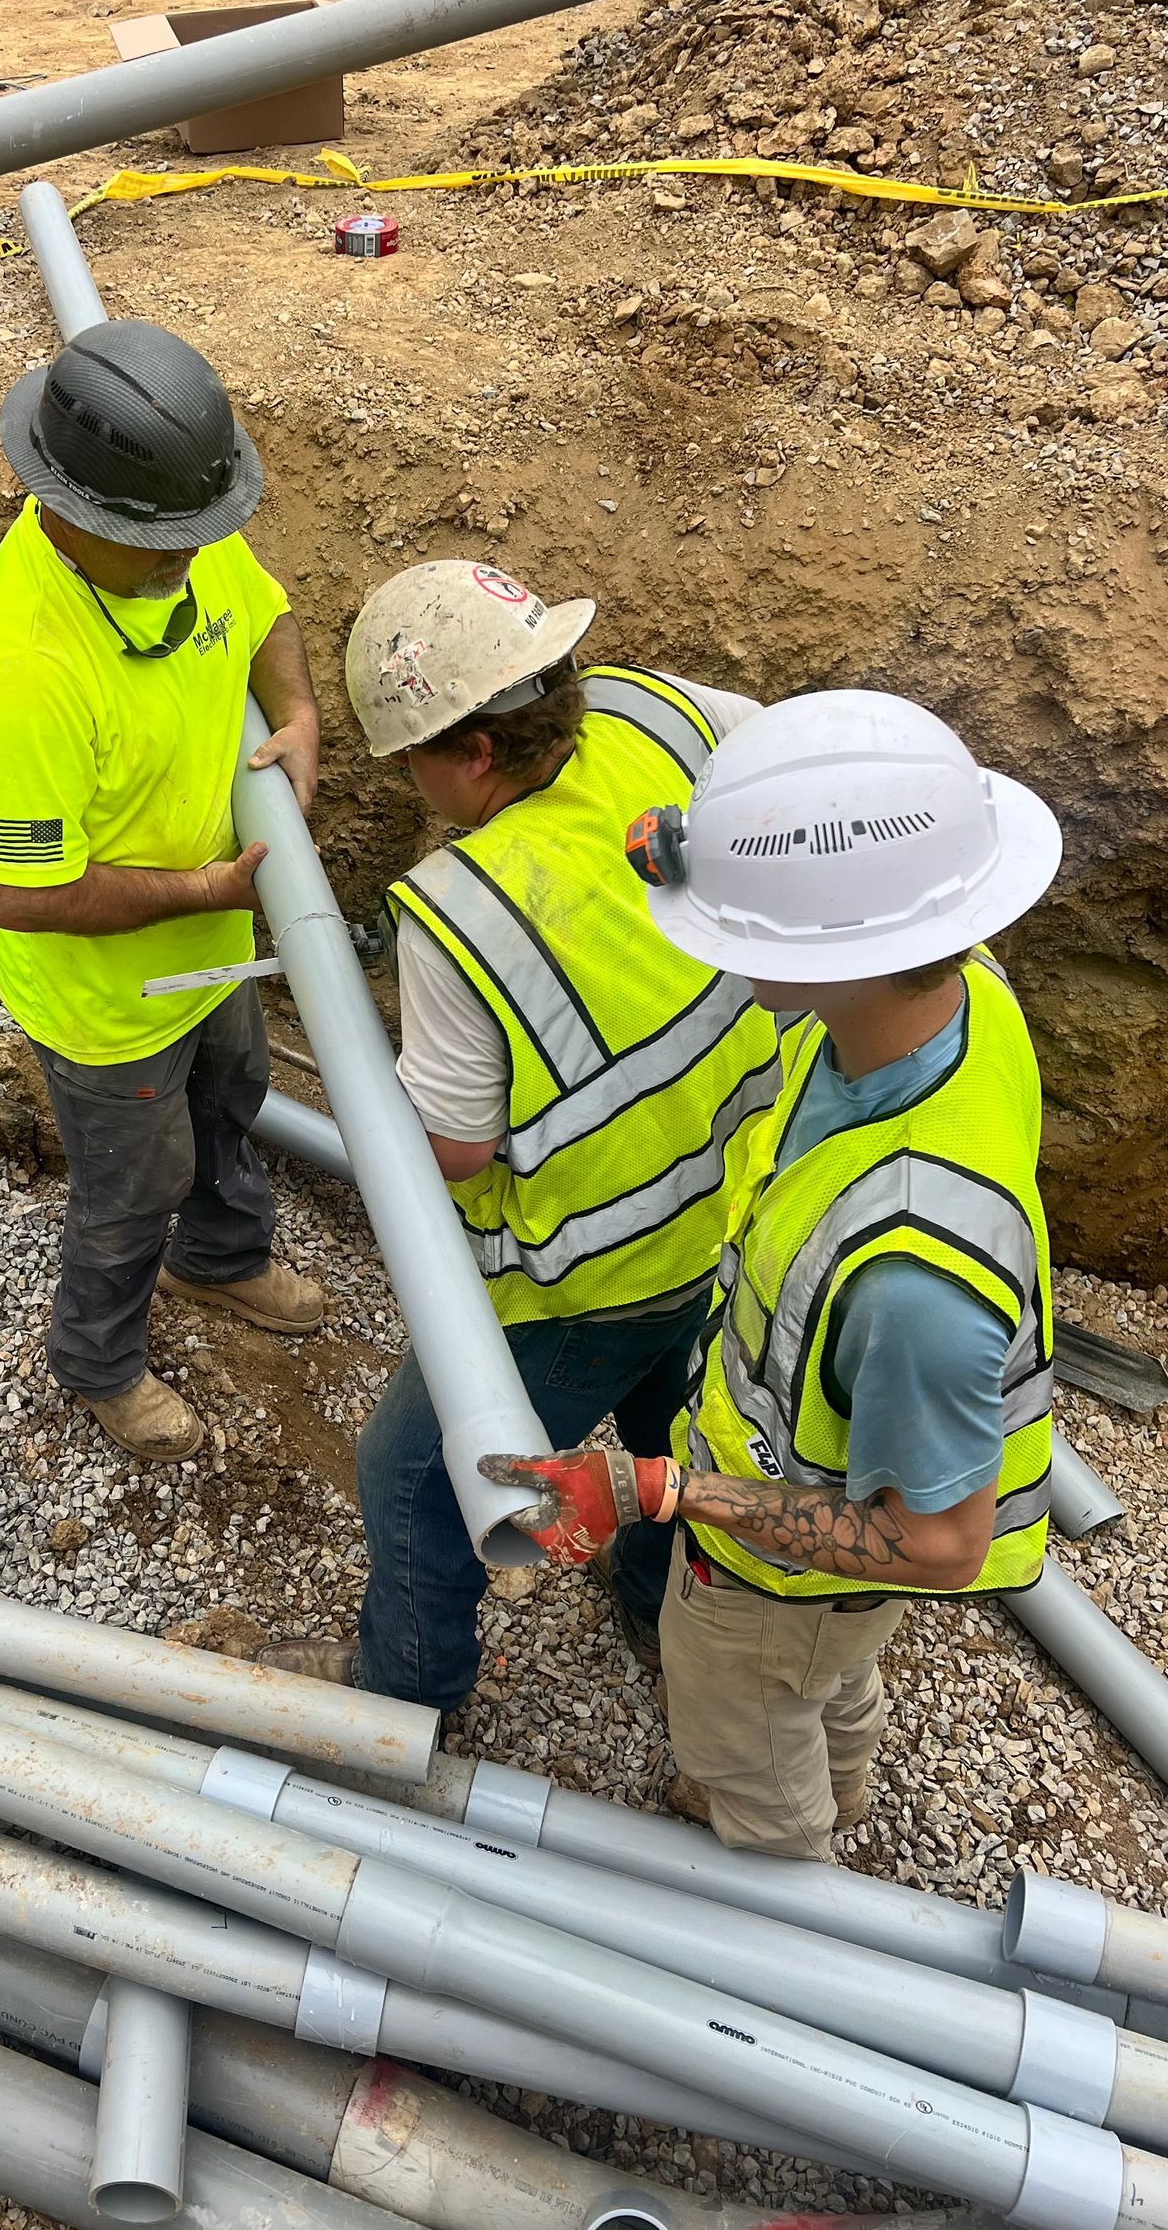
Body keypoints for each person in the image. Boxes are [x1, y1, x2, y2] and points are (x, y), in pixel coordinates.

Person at [483, 689, 1063, 1861]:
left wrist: (662, 1494)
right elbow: (863, 863)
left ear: (847, 956)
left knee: (749, 1746)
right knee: (833, 1680)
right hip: (829, 1600)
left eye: (743, 931)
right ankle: (840, 1777)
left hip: (772, 1589)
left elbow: (943, 1544)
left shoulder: (913, 1289)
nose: (715, 950)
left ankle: (785, 1855)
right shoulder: (961, 990)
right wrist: (694, 856)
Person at [262, 561, 782, 1710]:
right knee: (680, 1437)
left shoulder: (464, 914)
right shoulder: (673, 711)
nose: (409, 785)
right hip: (742, 1209)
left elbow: (451, 1149)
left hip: (591, 1275)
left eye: (413, 762)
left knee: (411, 1480)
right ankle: (655, 1608)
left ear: (477, 753)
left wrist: (368, 1077)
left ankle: (405, 1696)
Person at [0, 318, 328, 1466]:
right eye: (168, 547)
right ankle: (98, 1364)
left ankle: (222, 1257)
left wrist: (296, 711)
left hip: (208, 936)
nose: (191, 561)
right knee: (128, 1191)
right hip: (108, 997)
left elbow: (264, 611)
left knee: (238, 1091)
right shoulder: (20, 674)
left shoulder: (173, 534)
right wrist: (208, 885)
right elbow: (29, 895)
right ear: (75, 512)